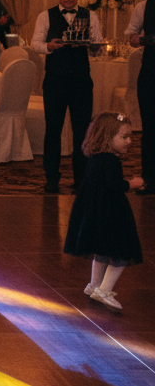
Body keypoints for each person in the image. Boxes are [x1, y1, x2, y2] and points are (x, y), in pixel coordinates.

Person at [63, 112, 144, 311]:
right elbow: (114, 185)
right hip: (111, 213)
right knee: (122, 252)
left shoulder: (95, 158)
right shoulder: (111, 161)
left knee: (102, 250)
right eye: (124, 137)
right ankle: (104, 290)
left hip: (96, 212)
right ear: (108, 138)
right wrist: (133, 183)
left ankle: (94, 285)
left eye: (129, 136)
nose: (129, 141)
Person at [30, 0, 103, 193]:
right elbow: (35, 43)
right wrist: (49, 47)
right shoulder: (46, 16)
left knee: (83, 131)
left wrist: (92, 46)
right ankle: (52, 179)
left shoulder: (90, 16)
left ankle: (82, 179)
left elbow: (98, 47)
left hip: (81, 81)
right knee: (53, 130)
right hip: (55, 81)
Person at [124, 0, 155, 194]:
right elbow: (132, 38)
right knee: (150, 129)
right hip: (151, 72)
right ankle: (150, 179)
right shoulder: (144, 7)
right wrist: (144, 39)